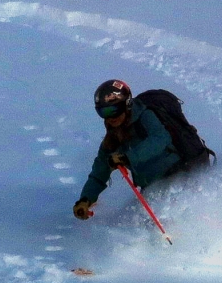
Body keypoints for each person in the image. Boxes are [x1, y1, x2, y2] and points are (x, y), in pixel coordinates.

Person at [73, 80, 209, 220]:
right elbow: (100, 171)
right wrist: (85, 199)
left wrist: (128, 157)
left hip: (179, 174)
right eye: (103, 112)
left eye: (114, 110)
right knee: (138, 220)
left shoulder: (145, 116)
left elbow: (160, 138)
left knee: (177, 215)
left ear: (126, 105)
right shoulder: (113, 137)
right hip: (152, 187)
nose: (110, 117)